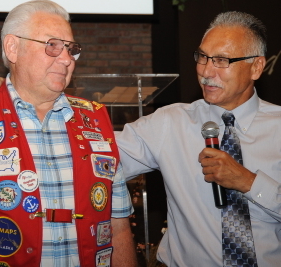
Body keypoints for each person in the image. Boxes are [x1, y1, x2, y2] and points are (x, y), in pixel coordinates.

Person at [0, 0, 137, 266]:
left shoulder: (96, 119)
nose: (66, 59)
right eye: (52, 45)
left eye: (71, 49)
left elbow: (118, 225)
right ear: (13, 48)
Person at [116, 11, 281, 266]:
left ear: (256, 67)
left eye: (221, 60)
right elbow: (99, 159)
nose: (206, 71)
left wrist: (248, 182)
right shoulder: (169, 123)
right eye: (202, 57)